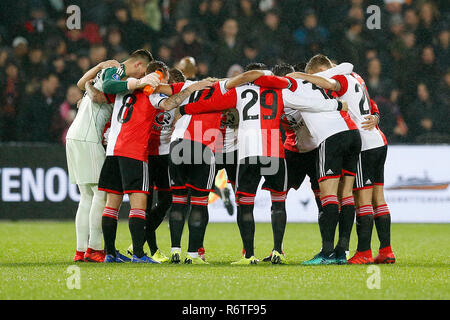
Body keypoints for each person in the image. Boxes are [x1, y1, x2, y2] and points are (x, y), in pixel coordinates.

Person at [180, 63, 347, 265]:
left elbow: (211, 104)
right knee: (278, 202)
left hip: (249, 154)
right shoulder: (279, 92)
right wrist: (337, 105)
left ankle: (249, 255)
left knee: (245, 205)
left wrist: (184, 108)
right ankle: (277, 251)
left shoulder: (238, 91)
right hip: (274, 154)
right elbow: (308, 103)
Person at [95, 61, 212, 263]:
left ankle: (110, 253)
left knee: (111, 205)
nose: (164, 83)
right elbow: (167, 104)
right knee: (140, 205)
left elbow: (98, 95)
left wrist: (90, 81)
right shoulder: (151, 92)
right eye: (164, 79)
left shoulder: (123, 87)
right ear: (159, 75)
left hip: (113, 150)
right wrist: (192, 88)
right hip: (135, 152)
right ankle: (139, 253)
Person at [291, 54, 395, 264]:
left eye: (314, 76)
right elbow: (371, 104)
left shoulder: (342, 80)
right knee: (378, 198)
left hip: (363, 143)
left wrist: (301, 76)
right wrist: (377, 117)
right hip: (379, 140)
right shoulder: (357, 77)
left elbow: (327, 81)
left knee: (362, 200)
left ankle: (364, 252)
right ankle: (386, 251)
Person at [67, 50, 158, 263]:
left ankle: (82, 251)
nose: (142, 77)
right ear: (137, 65)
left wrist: (96, 74)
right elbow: (105, 89)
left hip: (74, 135)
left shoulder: (110, 73)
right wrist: (136, 83)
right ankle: (95, 249)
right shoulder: (116, 72)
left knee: (87, 196)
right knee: (101, 194)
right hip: (89, 136)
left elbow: (82, 84)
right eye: (143, 72)